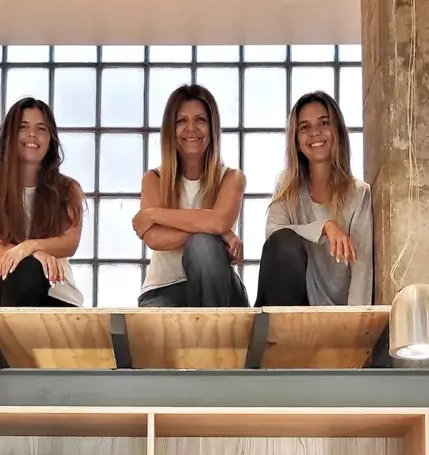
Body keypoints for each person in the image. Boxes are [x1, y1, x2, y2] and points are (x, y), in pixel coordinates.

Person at [133, 85, 249, 307]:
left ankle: (214, 329)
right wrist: (218, 233)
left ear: (212, 127)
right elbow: (155, 239)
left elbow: (219, 221)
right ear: (171, 129)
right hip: (162, 290)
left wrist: (154, 214)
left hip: (220, 289)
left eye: (200, 120)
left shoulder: (232, 178)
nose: (191, 128)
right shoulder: (153, 179)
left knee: (204, 244)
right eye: (181, 121)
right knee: (204, 240)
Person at [257, 91, 373, 306]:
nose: (315, 133)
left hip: (337, 311)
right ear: (296, 139)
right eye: (304, 127)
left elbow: (362, 270)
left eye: (324, 123)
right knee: (283, 242)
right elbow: (274, 233)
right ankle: (277, 326)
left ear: (337, 130)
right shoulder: (287, 187)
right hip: (291, 303)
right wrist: (325, 227)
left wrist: (355, 321)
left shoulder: (359, 193)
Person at [0, 97, 84, 307]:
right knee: (26, 270)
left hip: (57, 296)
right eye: (23, 127)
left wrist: (30, 247)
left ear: (51, 139)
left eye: (41, 128)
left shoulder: (68, 189)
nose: (32, 134)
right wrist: (35, 255)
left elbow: (70, 242)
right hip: (4, 289)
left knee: (32, 270)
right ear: (10, 136)